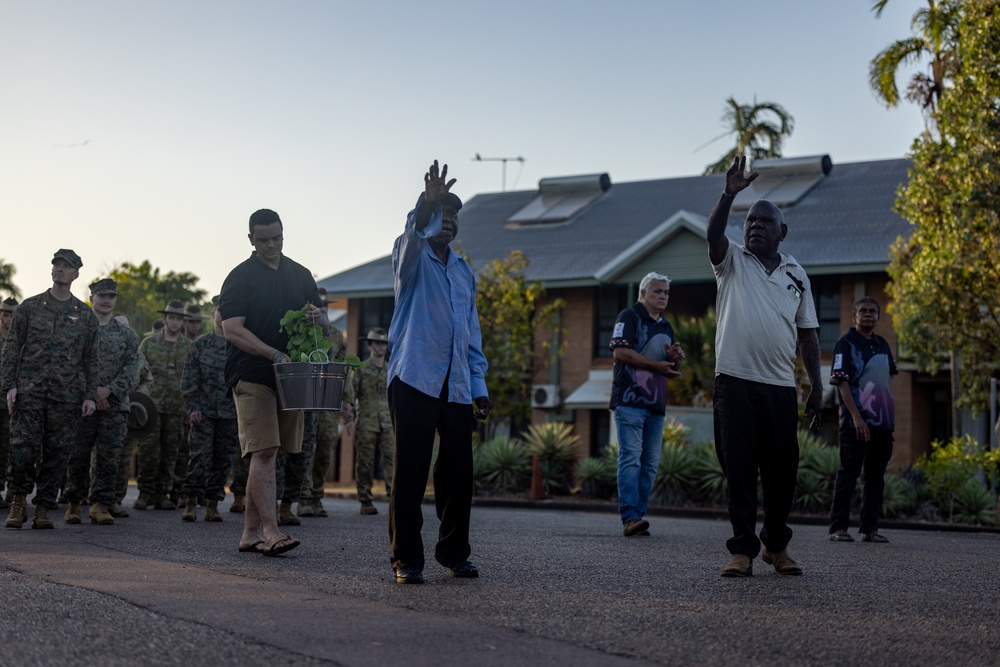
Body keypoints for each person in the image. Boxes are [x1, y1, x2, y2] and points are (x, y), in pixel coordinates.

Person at [707, 156, 822, 577]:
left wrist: (817, 385)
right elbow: (713, 234)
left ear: (782, 232)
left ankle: (776, 546)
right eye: (750, 221)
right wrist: (728, 195)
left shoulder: (797, 274)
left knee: (781, 472)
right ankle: (742, 550)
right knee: (738, 469)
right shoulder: (731, 261)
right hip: (734, 382)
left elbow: (808, 332)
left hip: (779, 386)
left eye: (764, 222)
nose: (754, 226)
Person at [387, 160, 491, 584]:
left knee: (458, 472)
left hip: (457, 384)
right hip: (414, 376)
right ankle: (406, 559)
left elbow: (471, 336)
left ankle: (454, 553)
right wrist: (424, 206)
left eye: (453, 216)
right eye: (441, 214)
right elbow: (415, 234)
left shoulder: (463, 270)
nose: (447, 222)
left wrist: (479, 385)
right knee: (410, 471)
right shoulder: (409, 256)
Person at [220, 207, 327, 557]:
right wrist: (271, 354)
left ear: (284, 234)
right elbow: (231, 328)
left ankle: (249, 533)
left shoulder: (300, 274)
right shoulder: (239, 277)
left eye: (276, 238)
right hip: (251, 374)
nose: (271, 245)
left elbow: (321, 320)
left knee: (271, 452)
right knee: (263, 450)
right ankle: (271, 531)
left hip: (290, 378)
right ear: (250, 239)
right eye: (263, 240)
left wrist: (317, 318)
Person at [2, 249, 98, 530]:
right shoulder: (29, 307)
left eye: (66, 266)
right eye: (56, 264)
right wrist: (10, 386)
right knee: (22, 449)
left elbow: (92, 358)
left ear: (75, 274)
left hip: (66, 396)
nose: (59, 269)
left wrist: (90, 395)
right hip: (29, 392)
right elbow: (10, 349)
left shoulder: (85, 316)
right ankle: (19, 502)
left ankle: (43, 507)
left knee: (57, 453)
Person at [609, 273, 684, 537]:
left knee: (650, 463)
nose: (662, 296)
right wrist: (656, 365)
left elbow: (670, 369)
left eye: (665, 292)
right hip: (629, 400)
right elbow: (620, 352)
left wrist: (675, 359)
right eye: (657, 291)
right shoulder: (628, 316)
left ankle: (637, 517)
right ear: (643, 294)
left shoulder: (666, 327)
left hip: (655, 404)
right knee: (630, 458)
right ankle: (629, 516)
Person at [63, 279, 140, 526]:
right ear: (92, 298)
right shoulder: (79, 330)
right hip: (83, 404)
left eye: (111, 296)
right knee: (77, 455)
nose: (106, 300)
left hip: (115, 406)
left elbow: (132, 367)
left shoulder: (126, 335)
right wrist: (92, 393)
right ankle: (74, 503)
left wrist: (109, 391)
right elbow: (70, 364)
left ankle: (100, 504)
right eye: (101, 296)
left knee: (109, 457)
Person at [828, 296, 897, 543]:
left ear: (878, 318)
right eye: (862, 311)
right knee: (848, 473)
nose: (867, 315)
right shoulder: (845, 344)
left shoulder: (882, 345)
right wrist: (857, 417)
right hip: (854, 423)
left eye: (872, 311)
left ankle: (870, 528)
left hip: (883, 424)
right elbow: (842, 382)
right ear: (854, 316)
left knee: (875, 477)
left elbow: (887, 378)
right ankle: (838, 528)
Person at [179, 296, 239, 523]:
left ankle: (213, 504)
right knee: (199, 458)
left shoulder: (239, 346)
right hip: (202, 413)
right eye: (218, 310)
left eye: (227, 310)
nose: (222, 314)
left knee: (223, 461)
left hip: (230, 413)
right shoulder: (199, 345)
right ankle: (191, 502)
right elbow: (189, 381)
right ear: (213, 314)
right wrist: (193, 406)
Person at [135, 300, 191, 510]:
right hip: (151, 408)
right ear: (165, 319)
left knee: (171, 453)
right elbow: (139, 373)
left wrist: (190, 407)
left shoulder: (189, 347)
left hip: (177, 409)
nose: (175, 322)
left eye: (179, 318)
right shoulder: (148, 344)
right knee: (148, 451)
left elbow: (192, 380)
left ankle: (162, 494)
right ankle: (144, 493)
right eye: (172, 318)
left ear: (182, 322)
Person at [342, 327, 395, 516]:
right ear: (370, 345)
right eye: (377, 343)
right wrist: (348, 418)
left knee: (391, 458)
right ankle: (365, 501)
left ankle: (393, 499)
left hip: (388, 422)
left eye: (384, 343)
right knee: (365, 461)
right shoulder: (361, 369)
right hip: (366, 421)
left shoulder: (393, 369)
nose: (381, 347)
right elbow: (350, 394)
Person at [0, 297, 18, 508]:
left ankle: (10, 489)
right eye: (5, 314)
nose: (8, 319)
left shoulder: (21, 340)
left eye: (12, 315)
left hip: (11, 403)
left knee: (9, 448)